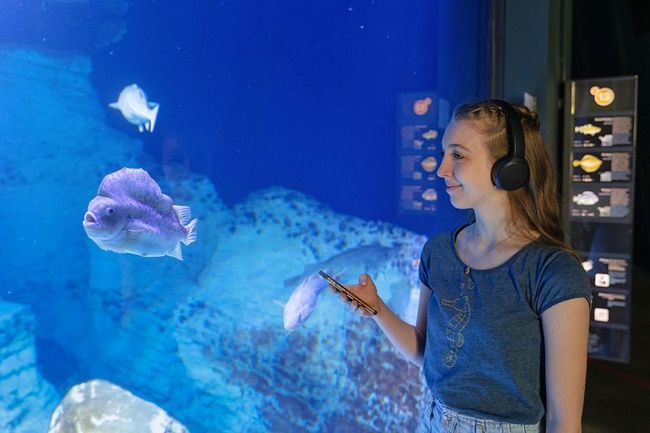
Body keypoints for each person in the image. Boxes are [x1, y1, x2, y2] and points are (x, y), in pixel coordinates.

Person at [334, 100, 591, 433]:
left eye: (458, 155)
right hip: (431, 420)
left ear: (508, 167)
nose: (441, 169)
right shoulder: (439, 251)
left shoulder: (553, 271)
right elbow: (425, 351)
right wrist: (378, 309)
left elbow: (564, 421)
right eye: (444, 154)